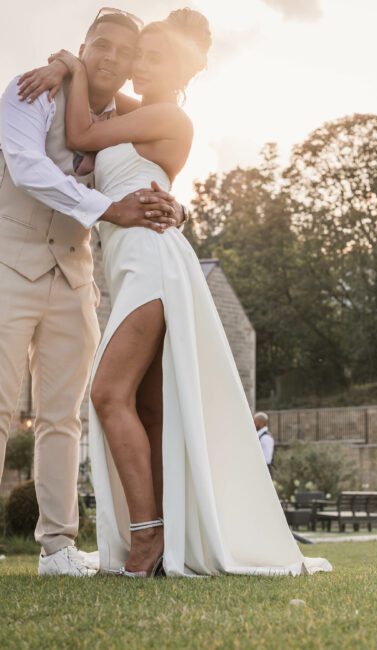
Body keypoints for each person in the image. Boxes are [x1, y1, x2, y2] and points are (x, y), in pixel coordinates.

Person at [36, 8, 331, 578]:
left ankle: (146, 540)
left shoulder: (170, 117)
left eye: (155, 58)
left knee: (106, 394)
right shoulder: (138, 111)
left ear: (184, 70)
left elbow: (80, 134)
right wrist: (66, 66)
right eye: (139, 56)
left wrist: (71, 62)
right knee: (148, 409)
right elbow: (98, 102)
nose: (140, 66)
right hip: (125, 267)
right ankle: (166, 541)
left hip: (153, 264)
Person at [0, 8, 184, 577]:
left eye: (122, 53)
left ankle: (57, 548)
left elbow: (153, 168)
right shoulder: (31, 92)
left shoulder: (121, 116)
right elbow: (28, 166)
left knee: (64, 419)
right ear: (83, 47)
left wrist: (177, 206)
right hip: (9, 267)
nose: (110, 57)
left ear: (130, 68)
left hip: (77, 277)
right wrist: (108, 207)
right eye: (99, 45)